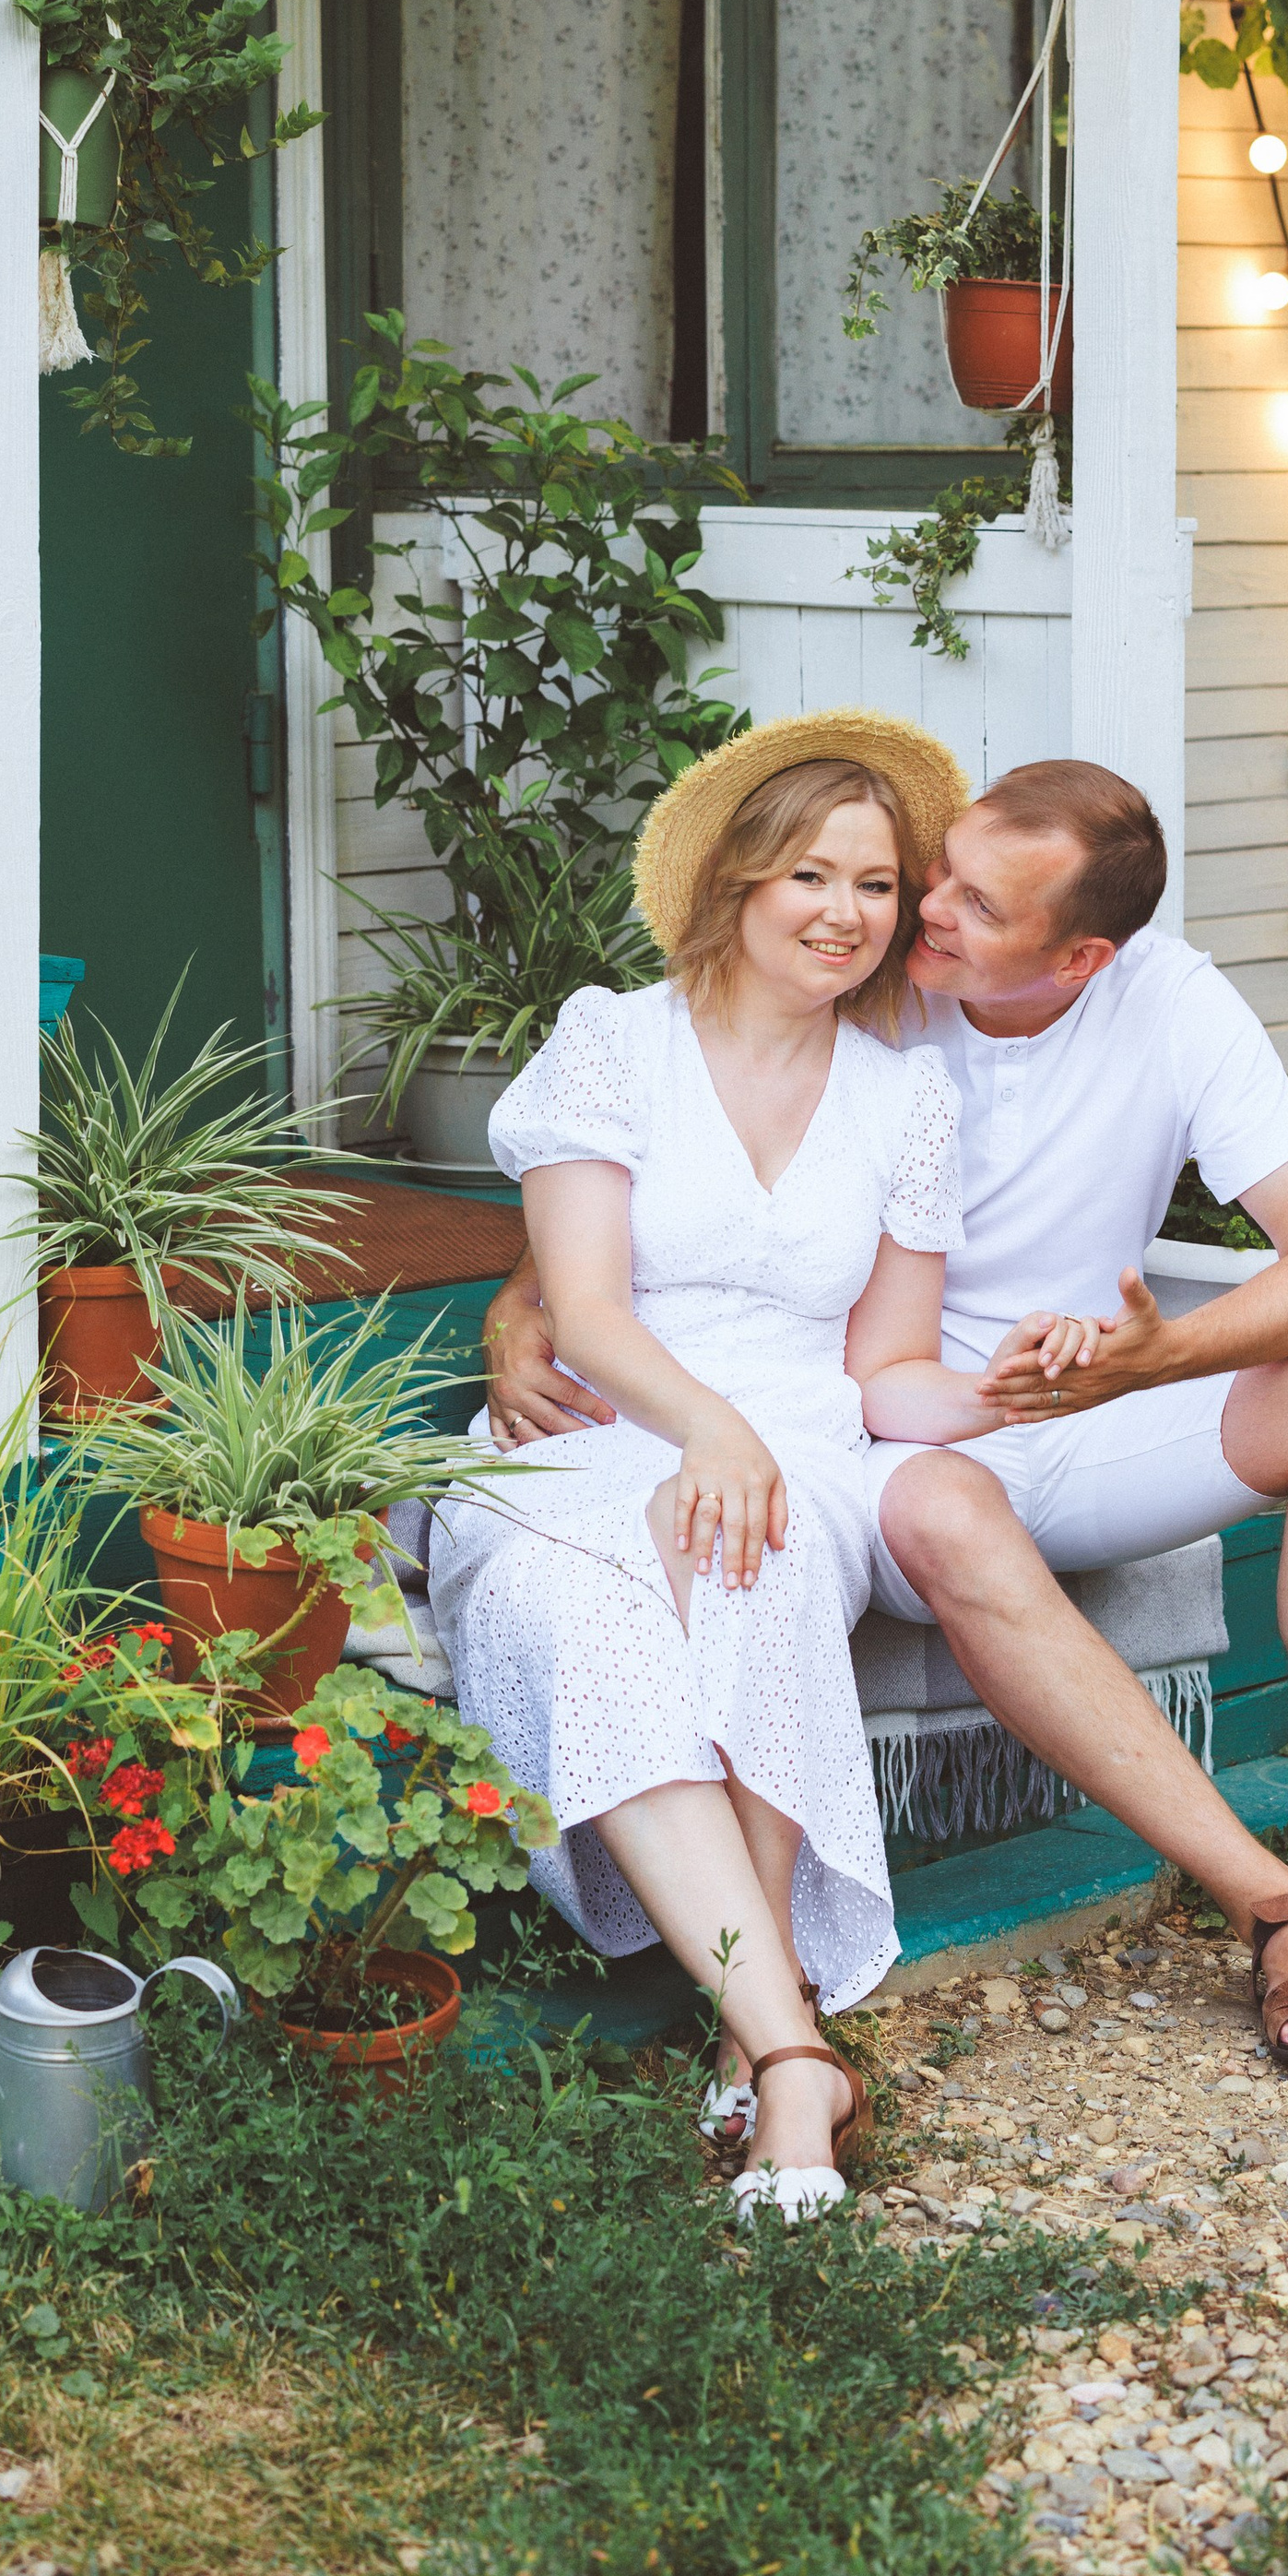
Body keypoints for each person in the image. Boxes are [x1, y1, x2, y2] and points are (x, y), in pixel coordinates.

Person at [488, 755, 1288, 2070]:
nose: (919, 910)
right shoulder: (866, 978)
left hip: (1082, 1405)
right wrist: (522, 1300)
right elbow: (670, 1158)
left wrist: (1158, 1356)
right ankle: (1266, 1900)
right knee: (938, 1505)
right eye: (935, 875)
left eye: (971, 904)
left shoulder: (1164, 1004)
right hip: (902, 1431)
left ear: (1079, 957)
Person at [436, 710, 1010, 2215]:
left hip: (796, 1447)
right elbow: (585, 1309)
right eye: (810, 874)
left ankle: (772, 2053)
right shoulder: (611, 1042)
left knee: (750, 1555)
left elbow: (889, 1367)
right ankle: (788, 2044)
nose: (845, 912)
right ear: (738, 880)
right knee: (579, 1615)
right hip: (600, 1426)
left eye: (876, 884)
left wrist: (1019, 1394)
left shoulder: (906, 1098)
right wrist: (708, 1427)